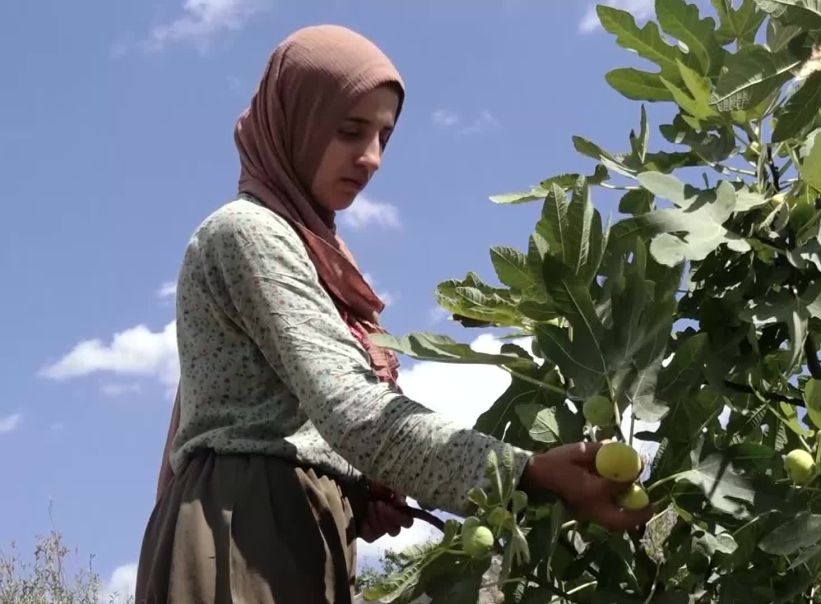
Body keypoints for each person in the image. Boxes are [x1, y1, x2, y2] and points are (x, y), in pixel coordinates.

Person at [134, 24, 653, 603]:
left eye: (384, 136)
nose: (373, 158)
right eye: (350, 131)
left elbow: (298, 421)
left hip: (297, 527)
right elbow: (350, 406)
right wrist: (521, 474)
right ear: (295, 123)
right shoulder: (248, 233)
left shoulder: (317, 255)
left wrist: (356, 485)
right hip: (244, 526)